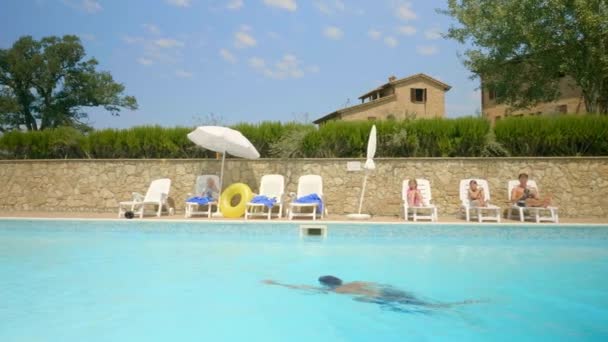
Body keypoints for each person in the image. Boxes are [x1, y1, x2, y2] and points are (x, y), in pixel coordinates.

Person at [262, 275, 484, 313]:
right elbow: (380, 284)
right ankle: (462, 303)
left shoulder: (337, 291)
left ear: (327, 285)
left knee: (423, 309)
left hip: (383, 298)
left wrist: (276, 283)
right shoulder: (356, 281)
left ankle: (453, 306)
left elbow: (301, 288)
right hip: (389, 290)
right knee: (423, 302)